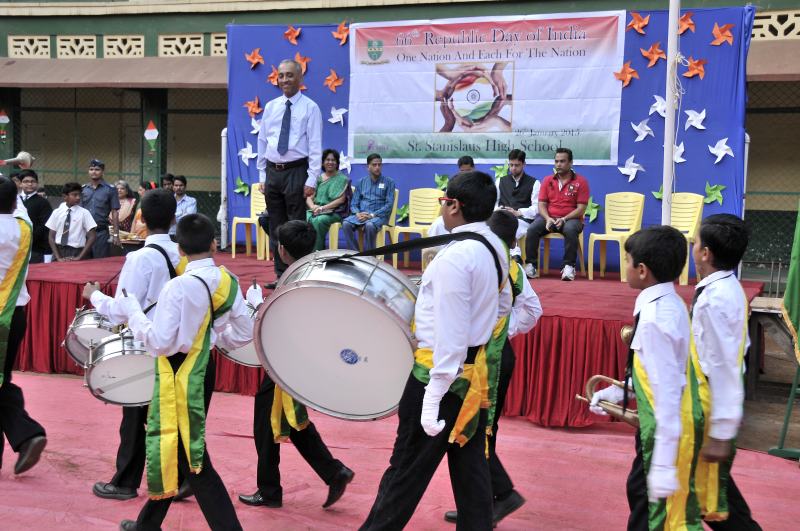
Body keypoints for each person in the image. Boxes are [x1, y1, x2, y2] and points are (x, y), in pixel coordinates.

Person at [361, 171, 508, 531]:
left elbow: (451, 335)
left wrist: (432, 396)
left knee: (405, 470)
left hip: (438, 376)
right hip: (472, 373)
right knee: (470, 468)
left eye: (444, 202)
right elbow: (504, 305)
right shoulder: (495, 247)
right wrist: (477, 333)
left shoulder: (455, 258)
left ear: (454, 206)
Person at [115, 213, 251, 531]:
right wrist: (212, 340)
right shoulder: (228, 281)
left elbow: (160, 342)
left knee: (192, 456)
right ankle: (148, 524)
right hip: (204, 368)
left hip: (178, 373)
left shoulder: (177, 287)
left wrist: (133, 310)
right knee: (177, 446)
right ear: (214, 244)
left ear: (180, 250)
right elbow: (244, 332)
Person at [589, 225, 703, 530]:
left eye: (627, 261)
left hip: (666, 430)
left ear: (642, 270)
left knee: (652, 511)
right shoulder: (664, 303)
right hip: (663, 426)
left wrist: (663, 463)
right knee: (640, 493)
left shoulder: (655, 318)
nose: (624, 266)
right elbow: (654, 373)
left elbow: (668, 391)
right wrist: (617, 393)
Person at [239, 220, 354, 510]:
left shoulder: (293, 280)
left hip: (285, 360)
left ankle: (270, 489)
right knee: (291, 420)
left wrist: (257, 305)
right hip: (303, 359)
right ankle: (333, 472)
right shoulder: (315, 271)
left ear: (282, 250)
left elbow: (280, 324)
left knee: (266, 423)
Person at [82, 189, 186, 502]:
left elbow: (123, 308)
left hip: (146, 346)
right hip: (180, 346)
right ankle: (183, 477)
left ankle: (126, 482)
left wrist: (94, 296)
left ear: (141, 219)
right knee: (174, 416)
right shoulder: (183, 253)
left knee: (134, 418)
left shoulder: (140, 258)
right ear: (174, 218)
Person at [443, 209, 542, 526]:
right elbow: (533, 310)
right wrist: (506, 328)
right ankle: (482, 503)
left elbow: (533, 310)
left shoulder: (487, 261)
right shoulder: (508, 265)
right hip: (488, 352)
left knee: (477, 430)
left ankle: (495, 497)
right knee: (477, 429)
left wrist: (501, 330)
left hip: (490, 357)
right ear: (513, 242)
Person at [690, 214, 762, 530]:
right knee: (712, 495)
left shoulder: (715, 300)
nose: (692, 247)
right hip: (706, 400)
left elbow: (724, 366)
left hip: (708, 404)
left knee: (714, 500)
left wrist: (721, 431)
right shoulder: (725, 288)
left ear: (705, 253)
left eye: (695, 243)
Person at [257, 58, 322, 284]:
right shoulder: (271, 107)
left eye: (290, 75)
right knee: (275, 226)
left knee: (295, 228)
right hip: (272, 172)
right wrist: (262, 174)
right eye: (281, 75)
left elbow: (315, 145)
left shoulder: (310, 108)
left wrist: (312, 178)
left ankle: (297, 275)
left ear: (300, 77)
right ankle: (280, 275)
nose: (285, 79)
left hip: (297, 171)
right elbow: (262, 140)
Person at [0, 176, 48, 476]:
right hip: (14, 313)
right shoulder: (24, 228)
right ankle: (25, 436)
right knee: (2, 378)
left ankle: (27, 433)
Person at [524, 148, 589, 281]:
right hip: (549, 218)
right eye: (556, 161)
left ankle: (569, 266)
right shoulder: (548, 180)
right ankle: (531, 265)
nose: (558, 164)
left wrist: (564, 219)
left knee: (570, 229)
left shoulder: (581, 182)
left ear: (571, 163)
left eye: (562, 161)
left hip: (571, 219)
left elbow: (581, 209)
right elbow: (541, 204)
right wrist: (547, 218)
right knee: (532, 229)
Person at [342, 153, 396, 252]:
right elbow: (354, 203)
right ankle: (355, 254)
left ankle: (370, 256)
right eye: (374, 165)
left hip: (379, 216)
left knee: (369, 226)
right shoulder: (361, 182)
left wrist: (372, 215)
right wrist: (357, 213)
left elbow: (389, 205)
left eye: (379, 164)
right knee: (346, 224)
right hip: (362, 215)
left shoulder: (389, 182)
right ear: (368, 167)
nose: (377, 167)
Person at [496, 150, 540, 263]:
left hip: (523, 220)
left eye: (517, 165)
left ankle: (513, 256)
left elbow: (537, 208)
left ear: (523, 164)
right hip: (502, 218)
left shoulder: (534, 183)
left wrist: (518, 212)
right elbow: (493, 203)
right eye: (511, 165)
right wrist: (499, 210)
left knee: (511, 225)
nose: (513, 168)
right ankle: (514, 255)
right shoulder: (500, 181)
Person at [306, 149, 350, 250]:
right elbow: (309, 197)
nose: (330, 162)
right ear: (322, 162)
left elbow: (341, 200)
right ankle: (304, 251)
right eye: (327, 160)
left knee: (319, 220)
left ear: (337, 163)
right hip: (315, 210)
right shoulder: (318, 178)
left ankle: (317, 252)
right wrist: (313, 207)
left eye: (333, 160)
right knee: (303, 217)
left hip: (334, 212)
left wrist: (322, 208)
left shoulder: (342, 179)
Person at [46, 182, 97, 262]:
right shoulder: (56, 212)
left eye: (79, 195)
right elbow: (51, 237)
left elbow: (92, 236)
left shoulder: (84, 213)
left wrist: (80, 257)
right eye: (74, 195)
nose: (78, 197)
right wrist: (58, 257)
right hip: (59, 250)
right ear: (65, 196)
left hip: (77, 251)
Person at [81, 158, 120, 258]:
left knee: (100, 262)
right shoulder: (83, 189)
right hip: (84, 233)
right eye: (91, 169)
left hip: (101, 232)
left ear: (102, 172)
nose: (94, 172)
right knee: (83, 263)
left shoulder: (110, 189)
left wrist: (116, 234)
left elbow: (115, 212)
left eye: (97, 169)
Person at [18, 169, 52, 264]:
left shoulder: (43, 202)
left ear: (37, 183)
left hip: (35, 248)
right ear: (20, 184)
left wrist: (28, 238)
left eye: (33, 181)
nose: (30, 184)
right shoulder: (15, 200)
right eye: (26, 181)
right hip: (15, 246)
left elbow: (45, 226)